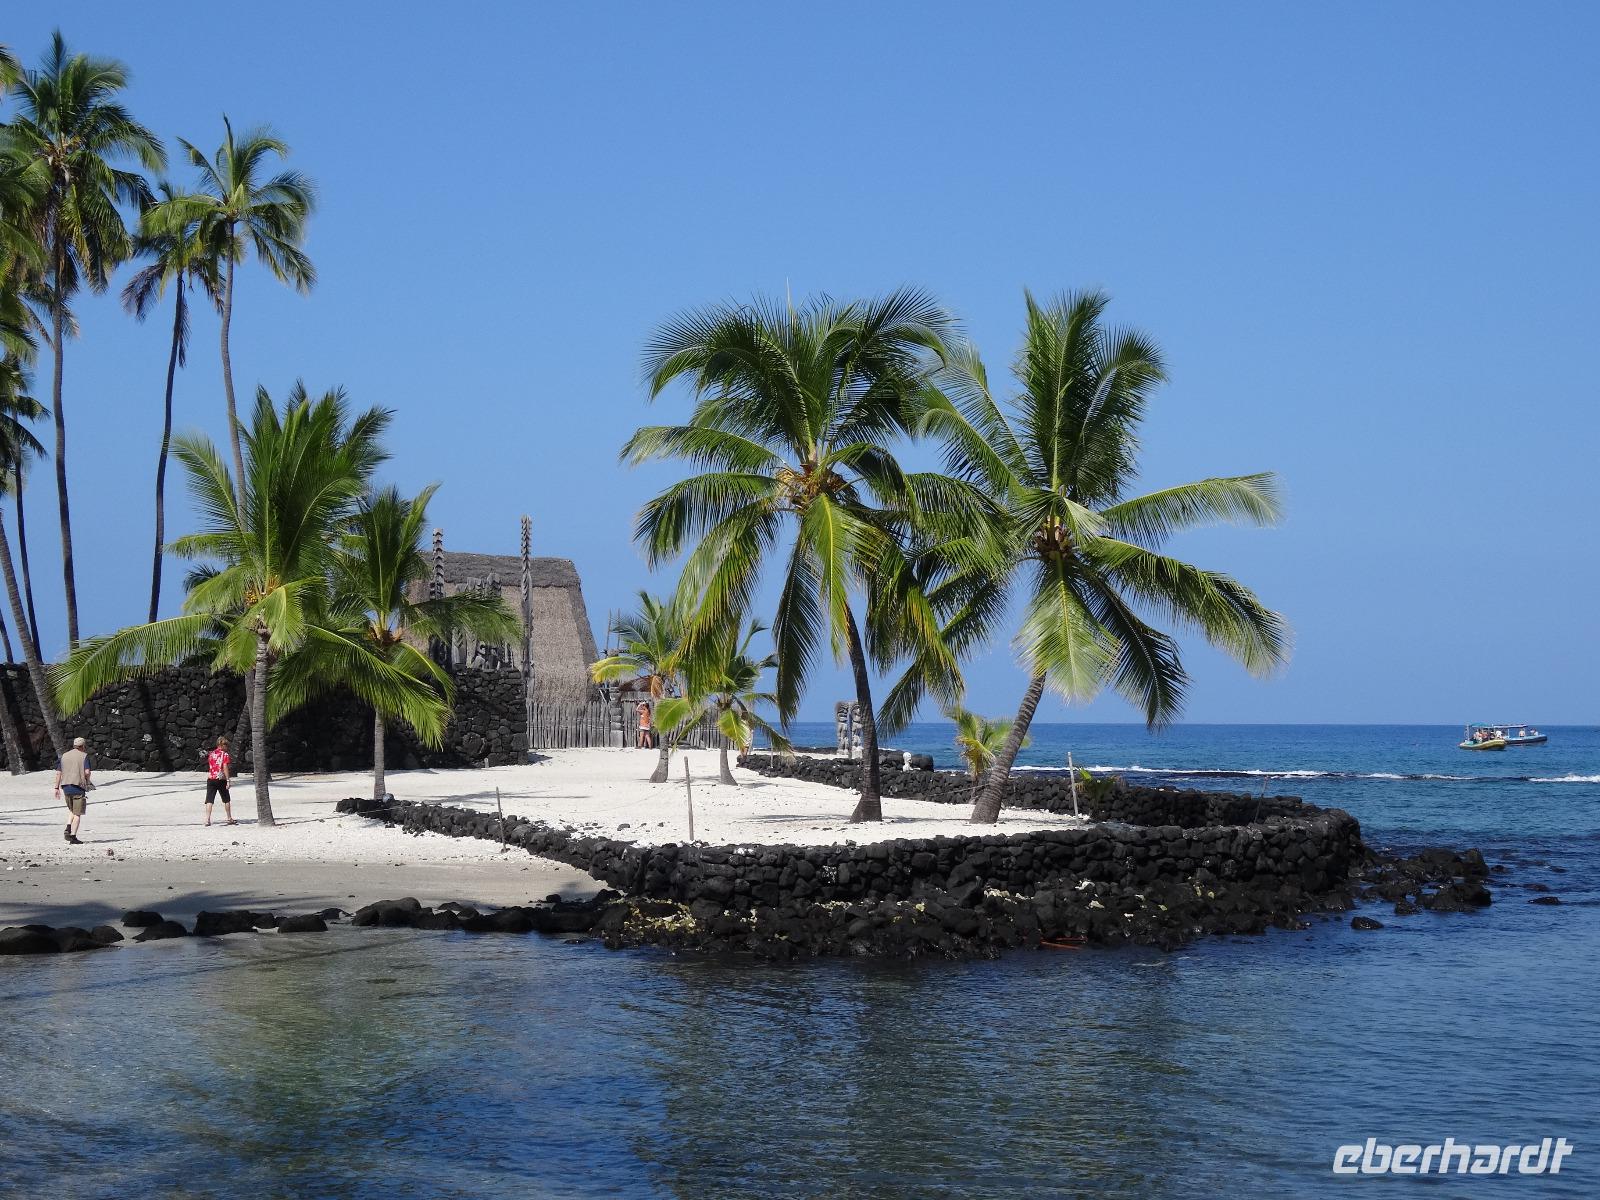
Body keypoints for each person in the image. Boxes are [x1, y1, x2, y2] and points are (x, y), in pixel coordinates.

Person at [54, 736, 94, 845]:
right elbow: (87, 772)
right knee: (77, 813)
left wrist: (56, 788)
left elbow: (58, 773)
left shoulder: (64, 756)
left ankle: (68, 827)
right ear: (83, 746)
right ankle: (73, 837)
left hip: (66, 787)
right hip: (78, 787)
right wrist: (88, 780)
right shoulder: (84, 756)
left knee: (72, 809)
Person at [205, 735, 237, 827]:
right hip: (221, 779)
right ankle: (229, 818)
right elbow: (225, 767)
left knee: (209, 800)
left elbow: (211, 765)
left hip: (211, 778)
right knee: (226, 799)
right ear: (223, 745)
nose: (227, 748)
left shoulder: (211, 754)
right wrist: (228, 779)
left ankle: (207, 819)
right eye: (226, 746)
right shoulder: (225, 754)